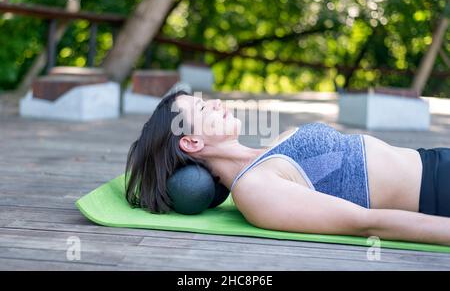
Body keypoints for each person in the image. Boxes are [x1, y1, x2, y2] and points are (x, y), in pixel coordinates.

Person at [125, 90, 450, 246]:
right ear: (192, 142)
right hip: (437, 190)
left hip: (436, 158)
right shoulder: (254, 190)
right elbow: (365, 223)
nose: (217, 103)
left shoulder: (271, 149)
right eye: (202, 107)